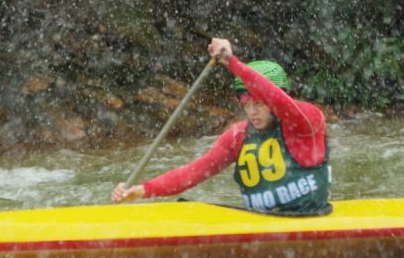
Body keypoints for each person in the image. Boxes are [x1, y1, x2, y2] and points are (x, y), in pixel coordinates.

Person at [111, 38, 331, 214]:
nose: (252, 112)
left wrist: (231, 62)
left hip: (307, 219)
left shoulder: (307, 122)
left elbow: (277, 98)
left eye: (258, 104)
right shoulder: (238, 136)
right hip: (260, 224)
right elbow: (193, 173)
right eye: (246, 104)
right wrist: (142, 190)